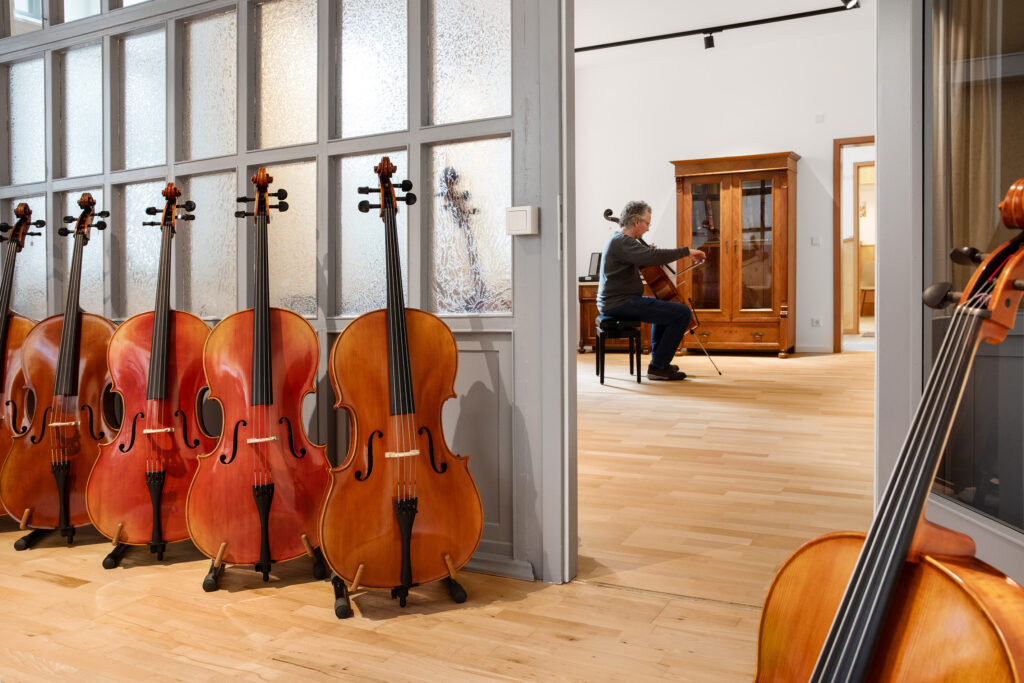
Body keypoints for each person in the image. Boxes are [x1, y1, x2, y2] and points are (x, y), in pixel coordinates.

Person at [597, 200, 706, 381]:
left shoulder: (621, 241)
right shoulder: (622, 242)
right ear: (637, 222)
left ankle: (659, 362)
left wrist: (646, 254)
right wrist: (687, 252)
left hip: (619, 301)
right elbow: (652, 257)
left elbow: (646, 257)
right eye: (647, 223)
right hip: (620, 303)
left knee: (664, 309)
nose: (648, 228)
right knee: (683, 313)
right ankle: (658, 366)